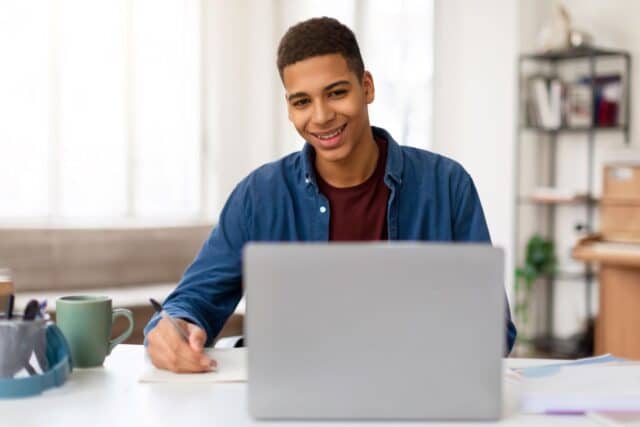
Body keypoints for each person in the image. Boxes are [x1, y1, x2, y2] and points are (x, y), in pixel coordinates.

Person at [144, 16, 517, 373]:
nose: (321, 116)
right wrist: (173, 328)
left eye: (336, 93)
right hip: (290, 397)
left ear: (367, 87)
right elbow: (193, 300)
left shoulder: (447, 185)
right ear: (289, 108)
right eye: (302, 101)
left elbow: (493, 328)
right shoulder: (259, 195)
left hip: (414, 391)